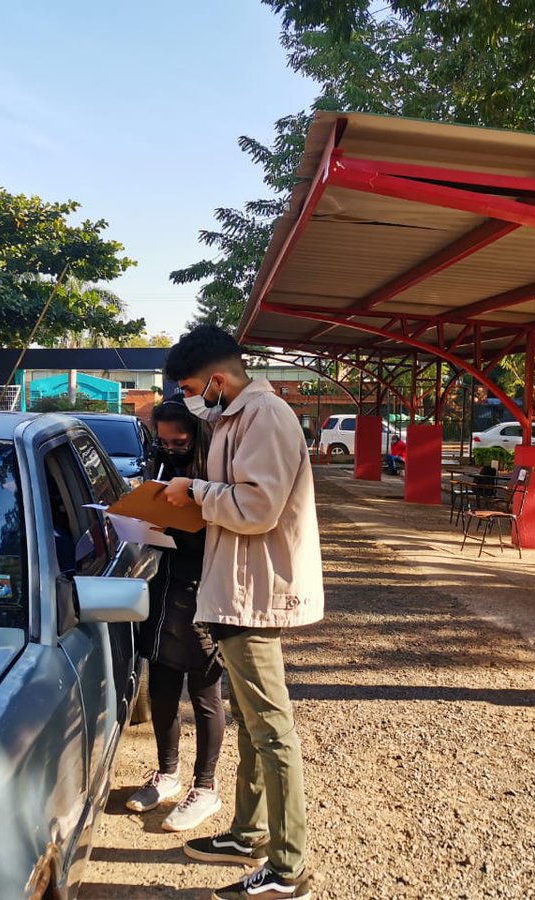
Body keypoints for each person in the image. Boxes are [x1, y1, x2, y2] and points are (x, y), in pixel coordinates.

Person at [159, 324, 322, 900]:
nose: (188, 398)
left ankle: (288, 868)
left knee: (272, 731)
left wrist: (195, 493)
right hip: (234, 587)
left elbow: (256, 507)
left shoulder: (265, 416)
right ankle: (250, 832)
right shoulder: (233, 418)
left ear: (219, 380)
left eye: (191, 386)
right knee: (255, 726)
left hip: (253, 591)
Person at [124, 395, 226, 832]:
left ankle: (205, 787)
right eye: (162, 441)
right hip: (164, 583)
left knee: (204, 692)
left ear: (197, 436)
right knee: (163, 685)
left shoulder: (216, 473)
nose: (169, 448)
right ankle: (167, 774)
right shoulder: (162, 463)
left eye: (178, 441)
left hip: (205, 588)